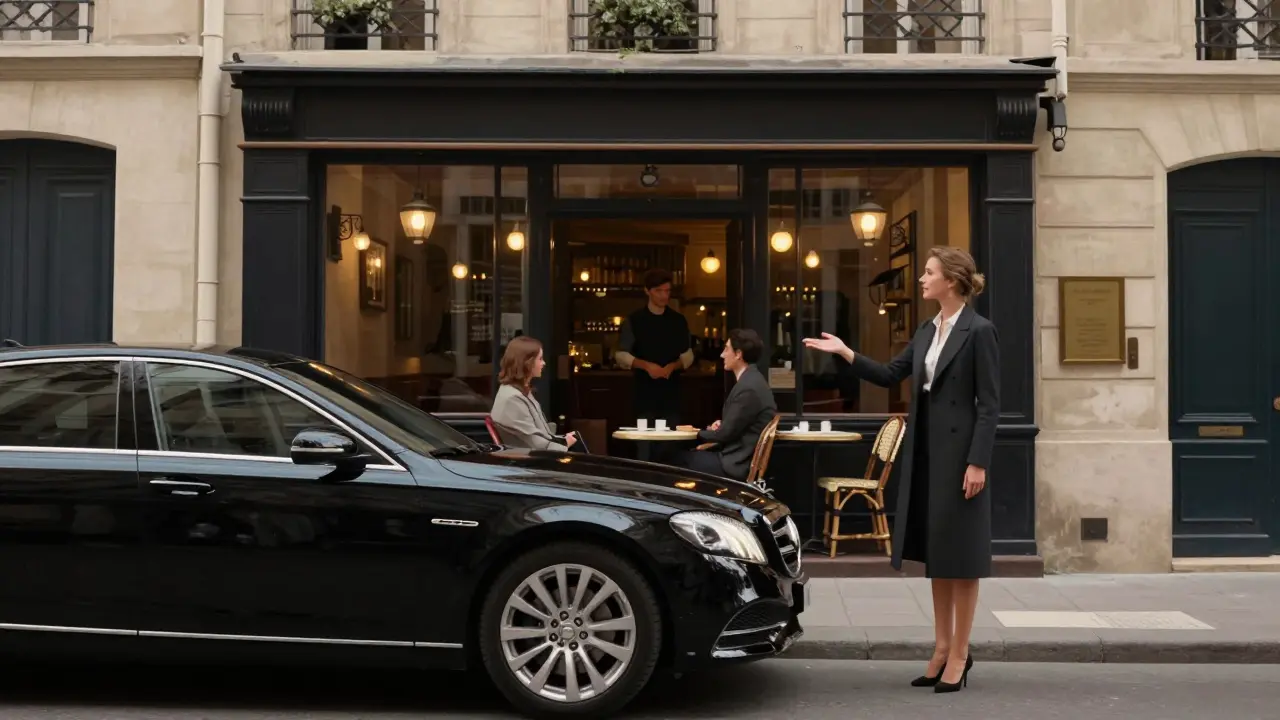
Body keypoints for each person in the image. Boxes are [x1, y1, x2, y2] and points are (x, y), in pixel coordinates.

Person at [803, 246, 999, 694]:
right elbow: (892, 374)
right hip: (928, 455)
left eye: (928, 273)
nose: (922, 280)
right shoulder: (927, 329)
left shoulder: (980, 331)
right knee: (937, 557)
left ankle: (961, 655)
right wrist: (846, 352)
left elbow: (989, 405)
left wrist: (978, 461)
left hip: (963, 458)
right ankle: (940, 649)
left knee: (962, 561)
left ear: (950, 280)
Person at [674, 329, 777, 482]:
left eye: (727, 349)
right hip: (735, 459)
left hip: (735, 465)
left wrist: (696, 432)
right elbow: (736, 425)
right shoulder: (752, 380)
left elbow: (725, 434)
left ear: (738, 354)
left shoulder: (748, 387)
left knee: (674, 460)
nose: (722, 354)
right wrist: (723, 425)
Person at [615, 268, 694, 430]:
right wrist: (646, 366)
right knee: (644, 446)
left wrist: (672, 366)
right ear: (647, 291)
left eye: (667, 291)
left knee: (670, 446)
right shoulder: (635, 320)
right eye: (659, 291)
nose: (664, 296)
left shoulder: (678, 321)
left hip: (672, 395)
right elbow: (621, 355)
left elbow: (688, 356)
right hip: (644, 395)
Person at [490, 336, 579, 453]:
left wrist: (563, 439)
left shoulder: (519, 391)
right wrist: (566, 444)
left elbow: (537, 436)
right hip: (534, 463)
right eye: (540, 359)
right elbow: (536, 444)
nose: (544, 363)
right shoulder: (513, 398)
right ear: (527, 363)